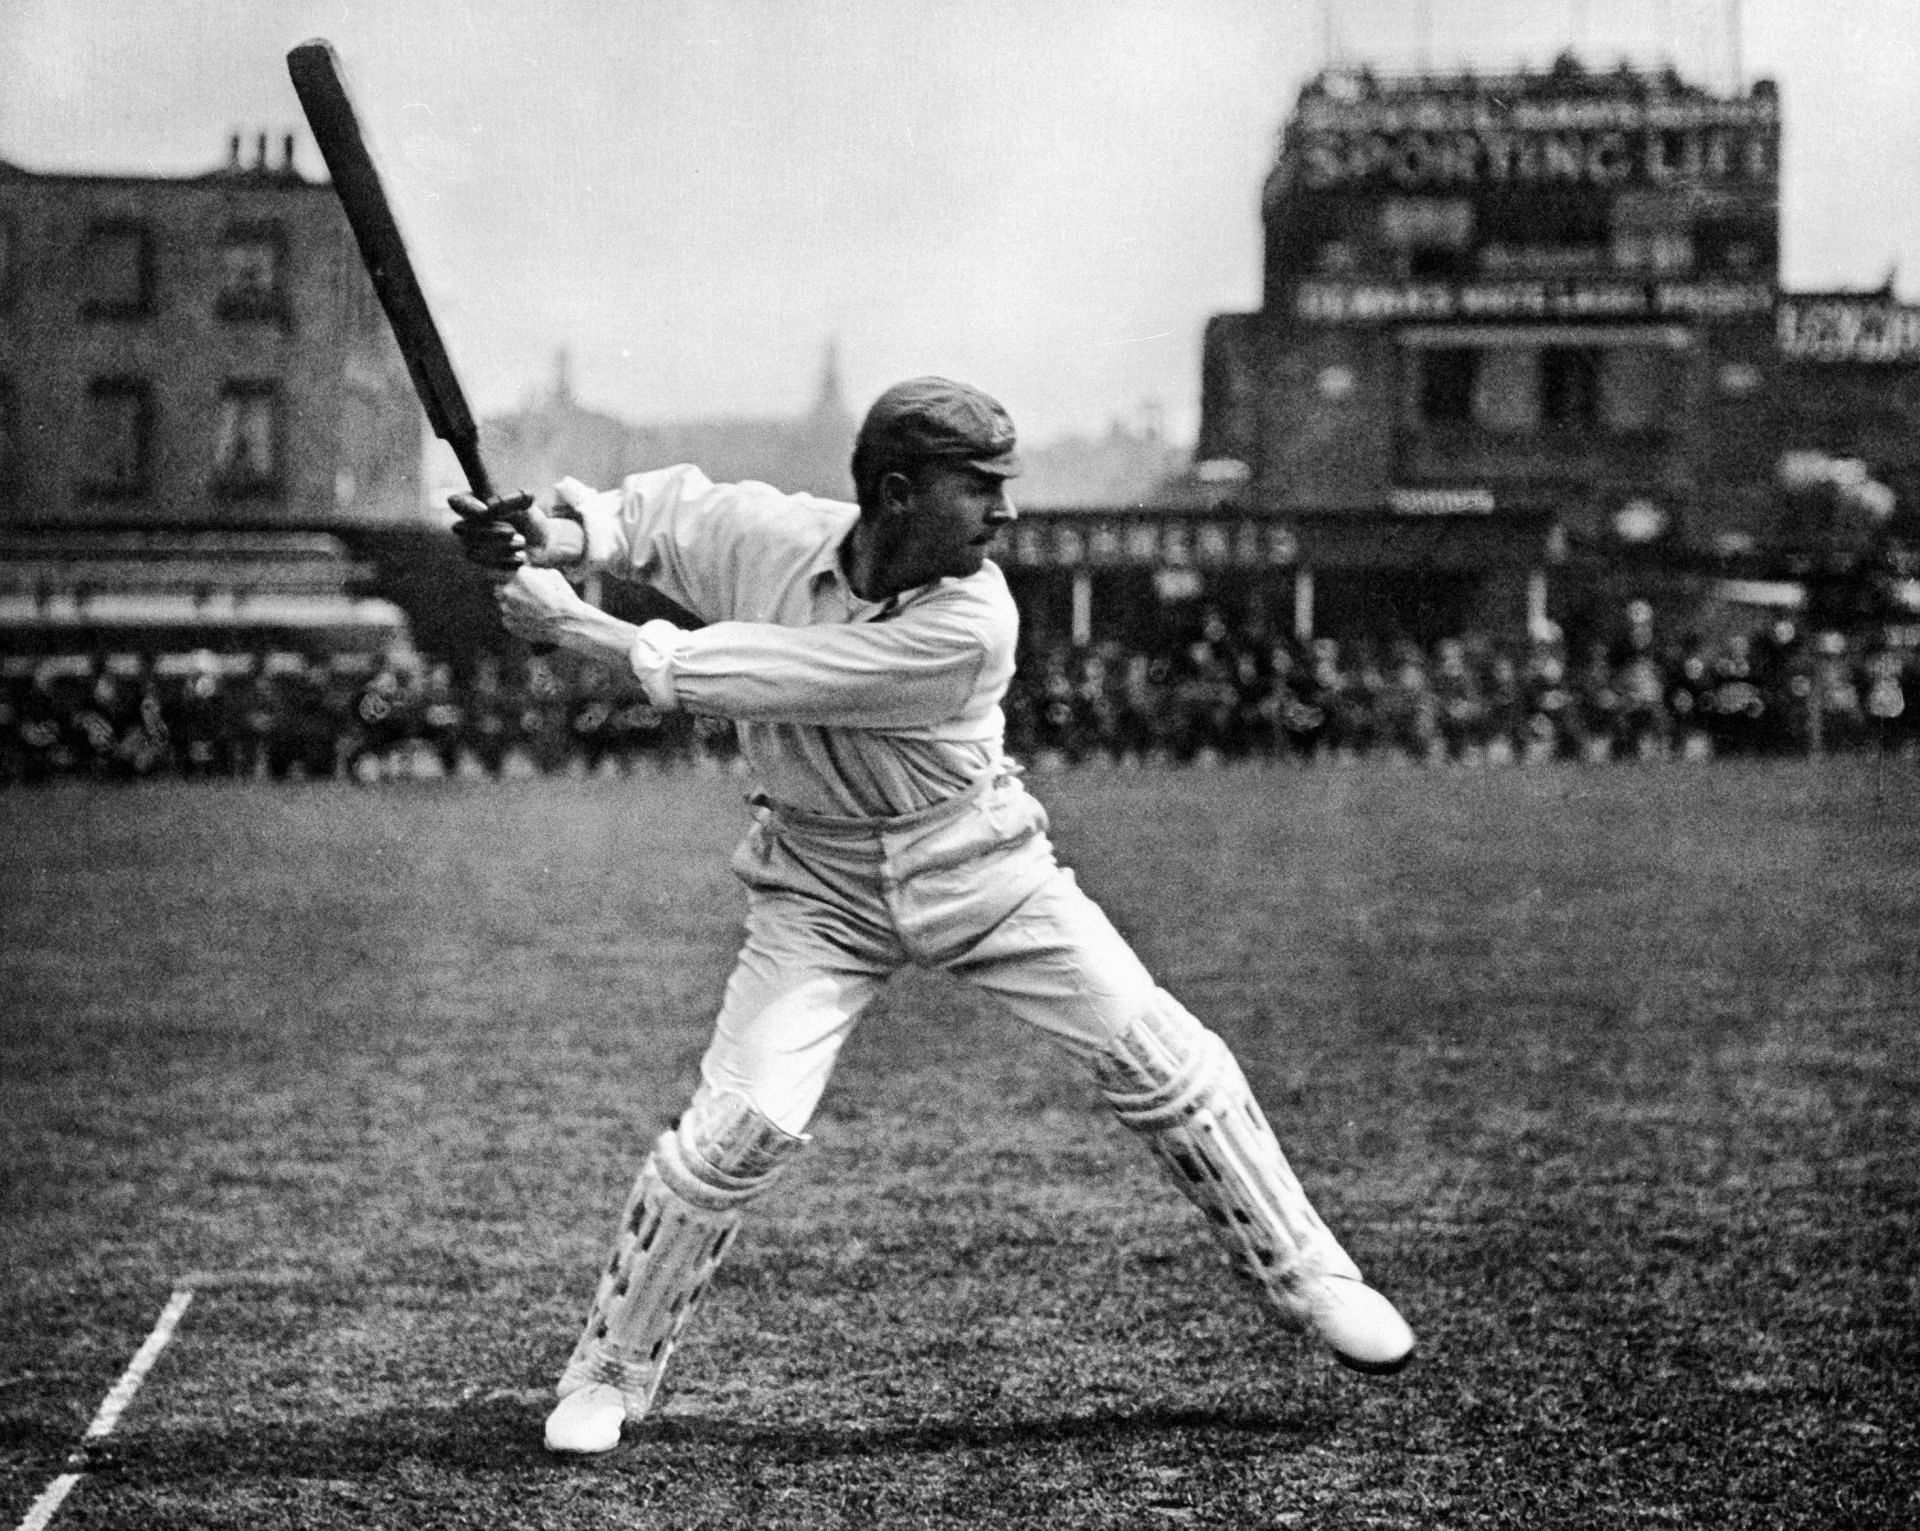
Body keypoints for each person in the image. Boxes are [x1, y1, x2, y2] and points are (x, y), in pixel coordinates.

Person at [449, 377, 1415, 1457]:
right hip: (816, 886)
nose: (1005, 512)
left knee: (1161, 1058)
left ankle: (1312, 1274)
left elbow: (775, 675)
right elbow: (653, 520)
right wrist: (559, 531)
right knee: (731, 1136)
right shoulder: (771, 537)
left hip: (983, 866)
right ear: (899, 494)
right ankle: (610, 1372)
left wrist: (574, 622)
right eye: (982, 488)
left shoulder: (973, 619)